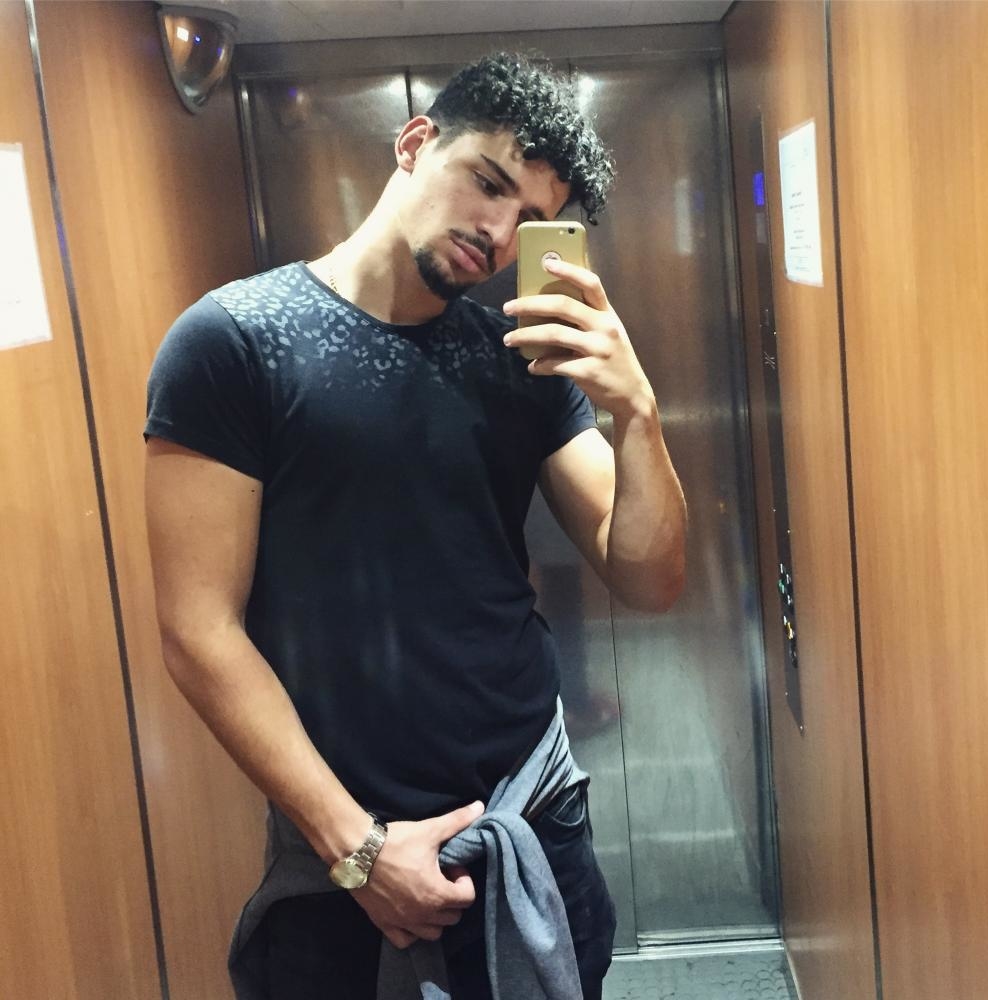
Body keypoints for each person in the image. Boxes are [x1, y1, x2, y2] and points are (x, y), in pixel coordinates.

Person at [144, 52, 686, 1000]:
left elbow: (647, 575)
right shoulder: (233, 341)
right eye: (488, 182)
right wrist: (356, 849)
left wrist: (637, 411)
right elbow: (199, 630)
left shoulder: (520, 360)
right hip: (348, 859)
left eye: (528, 216)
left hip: (533, 818)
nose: (497, 231)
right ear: (414, 142)